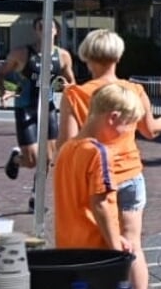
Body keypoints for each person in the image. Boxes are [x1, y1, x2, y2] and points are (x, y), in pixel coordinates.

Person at [60, 30, 161, 289]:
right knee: (133, 244)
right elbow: (151, 129)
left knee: (97, 240)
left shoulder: (74, 94)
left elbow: (67, 144)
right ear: (118, 56)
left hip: (92, 173)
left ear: (86, 57)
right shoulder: (133, 91)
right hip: (130, 174)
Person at [53, 81, 143, 257]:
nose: (126, 133)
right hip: (95, 249)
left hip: (67, 245)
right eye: (128, 125)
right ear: (113, 118)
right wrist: (115, 246)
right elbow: (101, 205)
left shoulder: (66, 149)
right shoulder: (99, 153)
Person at [0, 16, 74, 180]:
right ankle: (17, 158)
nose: (45, 31)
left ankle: (35, 199)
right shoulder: (21, 53)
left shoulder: (63, 56)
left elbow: (71, 82)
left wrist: (66, 87)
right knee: (32, 161)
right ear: (36, 31)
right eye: (41, 27)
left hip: (49, 108)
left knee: (48, 158)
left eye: (49, 27)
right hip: (26, 108)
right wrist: (3, 91)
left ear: (56, 31)